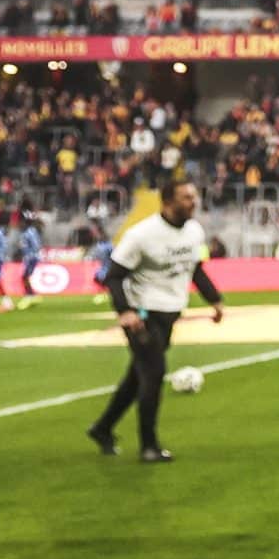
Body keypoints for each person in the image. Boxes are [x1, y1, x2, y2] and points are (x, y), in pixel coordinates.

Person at [85, 182, 224, 463]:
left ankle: (102, 428)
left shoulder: (194, 231)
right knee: (154, 372)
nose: (193, 202)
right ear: (167, 202)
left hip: (170, 312)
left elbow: (194, 268)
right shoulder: (142, 235)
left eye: (194, 196)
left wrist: (215, 300)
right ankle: (149, 446)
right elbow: (112, 276)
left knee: (137, 378)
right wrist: (125, 311)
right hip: (142, 315)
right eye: (186, 197)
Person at [14, 212, 45, 310]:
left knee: (24, 277)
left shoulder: (30, 232)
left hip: (31, 258)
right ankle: (31, 296)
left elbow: (36, 246)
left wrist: (30, 255)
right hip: (29, 257)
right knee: (25, 277)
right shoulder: (26, 232)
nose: (19, 224)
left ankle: (29, 297)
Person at [88, 234, 115, 305]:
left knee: (99, 280)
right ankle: (105, 294)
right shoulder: (108, 246)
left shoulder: (100, 246)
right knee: (99, 280)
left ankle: (106, 294)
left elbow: (94, 256)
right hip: (106, 269)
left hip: (106, 270)